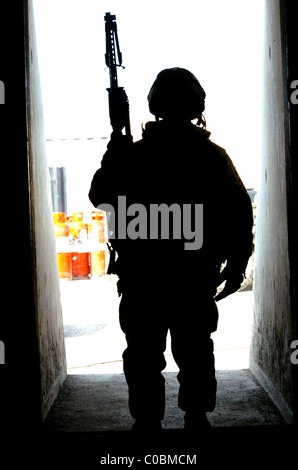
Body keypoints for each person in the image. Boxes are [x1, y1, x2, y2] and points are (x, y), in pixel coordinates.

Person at [89, 67, 253, 433]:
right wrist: (237, 264)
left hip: (143, 276)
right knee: (195, 349)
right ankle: (196, 416)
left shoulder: (132, 155)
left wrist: (113, 153)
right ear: (198, 107)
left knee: (144, 353)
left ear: (154, 106)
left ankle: (148, 420)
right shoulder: (213, 157)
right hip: (193, 274)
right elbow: (238, 213)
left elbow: (101, 197)